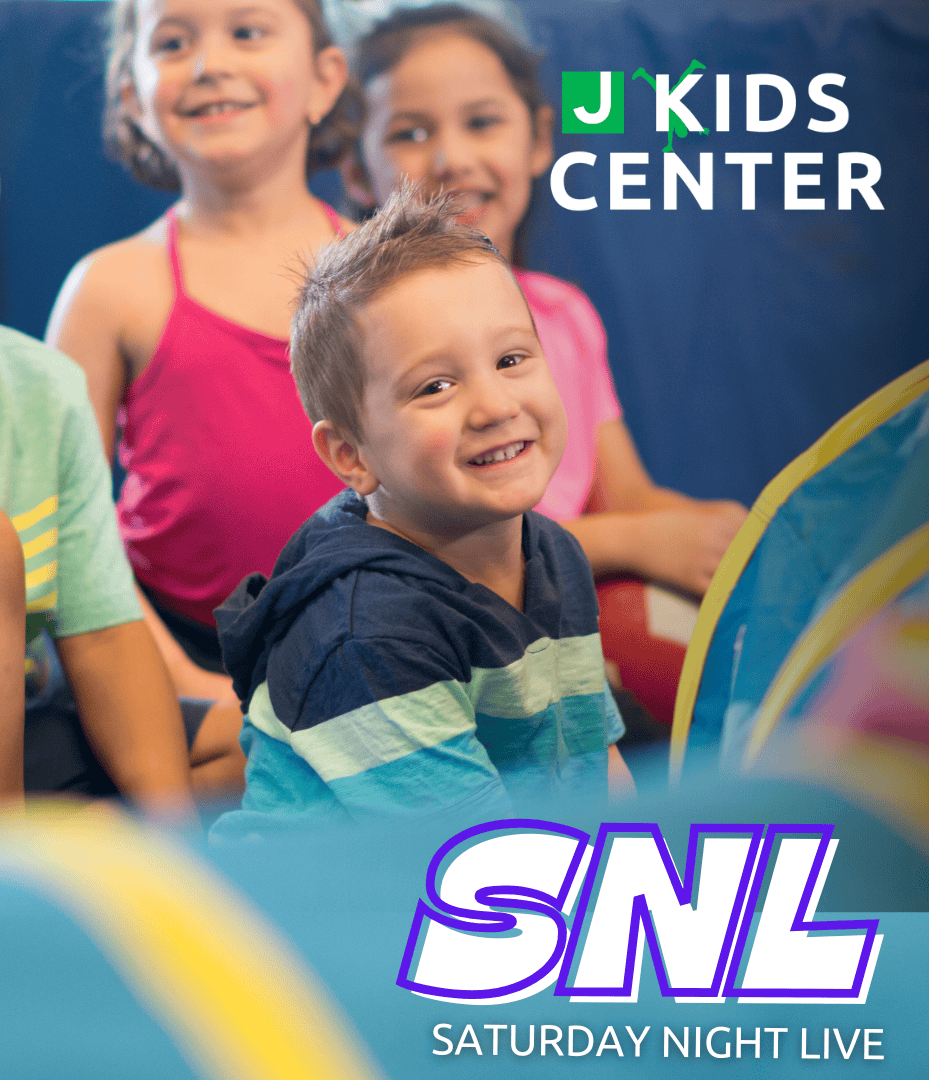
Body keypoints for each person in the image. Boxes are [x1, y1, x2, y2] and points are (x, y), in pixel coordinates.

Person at [0, 29, 232, 839]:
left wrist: (171, 831)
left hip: (13, 725)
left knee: (260, 741)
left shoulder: (39, 385)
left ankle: (65, 846)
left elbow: (103, 636)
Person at [344, 4, 750, 721]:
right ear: (355, 170)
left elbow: (628, 495)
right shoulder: (364, 341)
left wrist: (741, 535)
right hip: (452, 662)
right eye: (410, 133)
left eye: (482, 122)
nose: (452, 158)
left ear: (537, 140)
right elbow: (429, 546)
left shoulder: (564, 314)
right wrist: (634, 541)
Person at [213, 187, 632, 832]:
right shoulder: (365, 636)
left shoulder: (553, 553)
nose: (495, 406)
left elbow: (596, 771)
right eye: (435, 386)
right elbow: (479, 860)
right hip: (354, 895)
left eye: (511, 359)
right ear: (351, 454)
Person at [46, 0, 358, 704]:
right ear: (134, 98)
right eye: (174, 43)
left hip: (373, 633)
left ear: (324, 79)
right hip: (173, 649)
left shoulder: (386, 274)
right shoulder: (110, 288)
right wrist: (184, 684)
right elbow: (65, 521)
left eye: (247, 32)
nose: (211, 64)